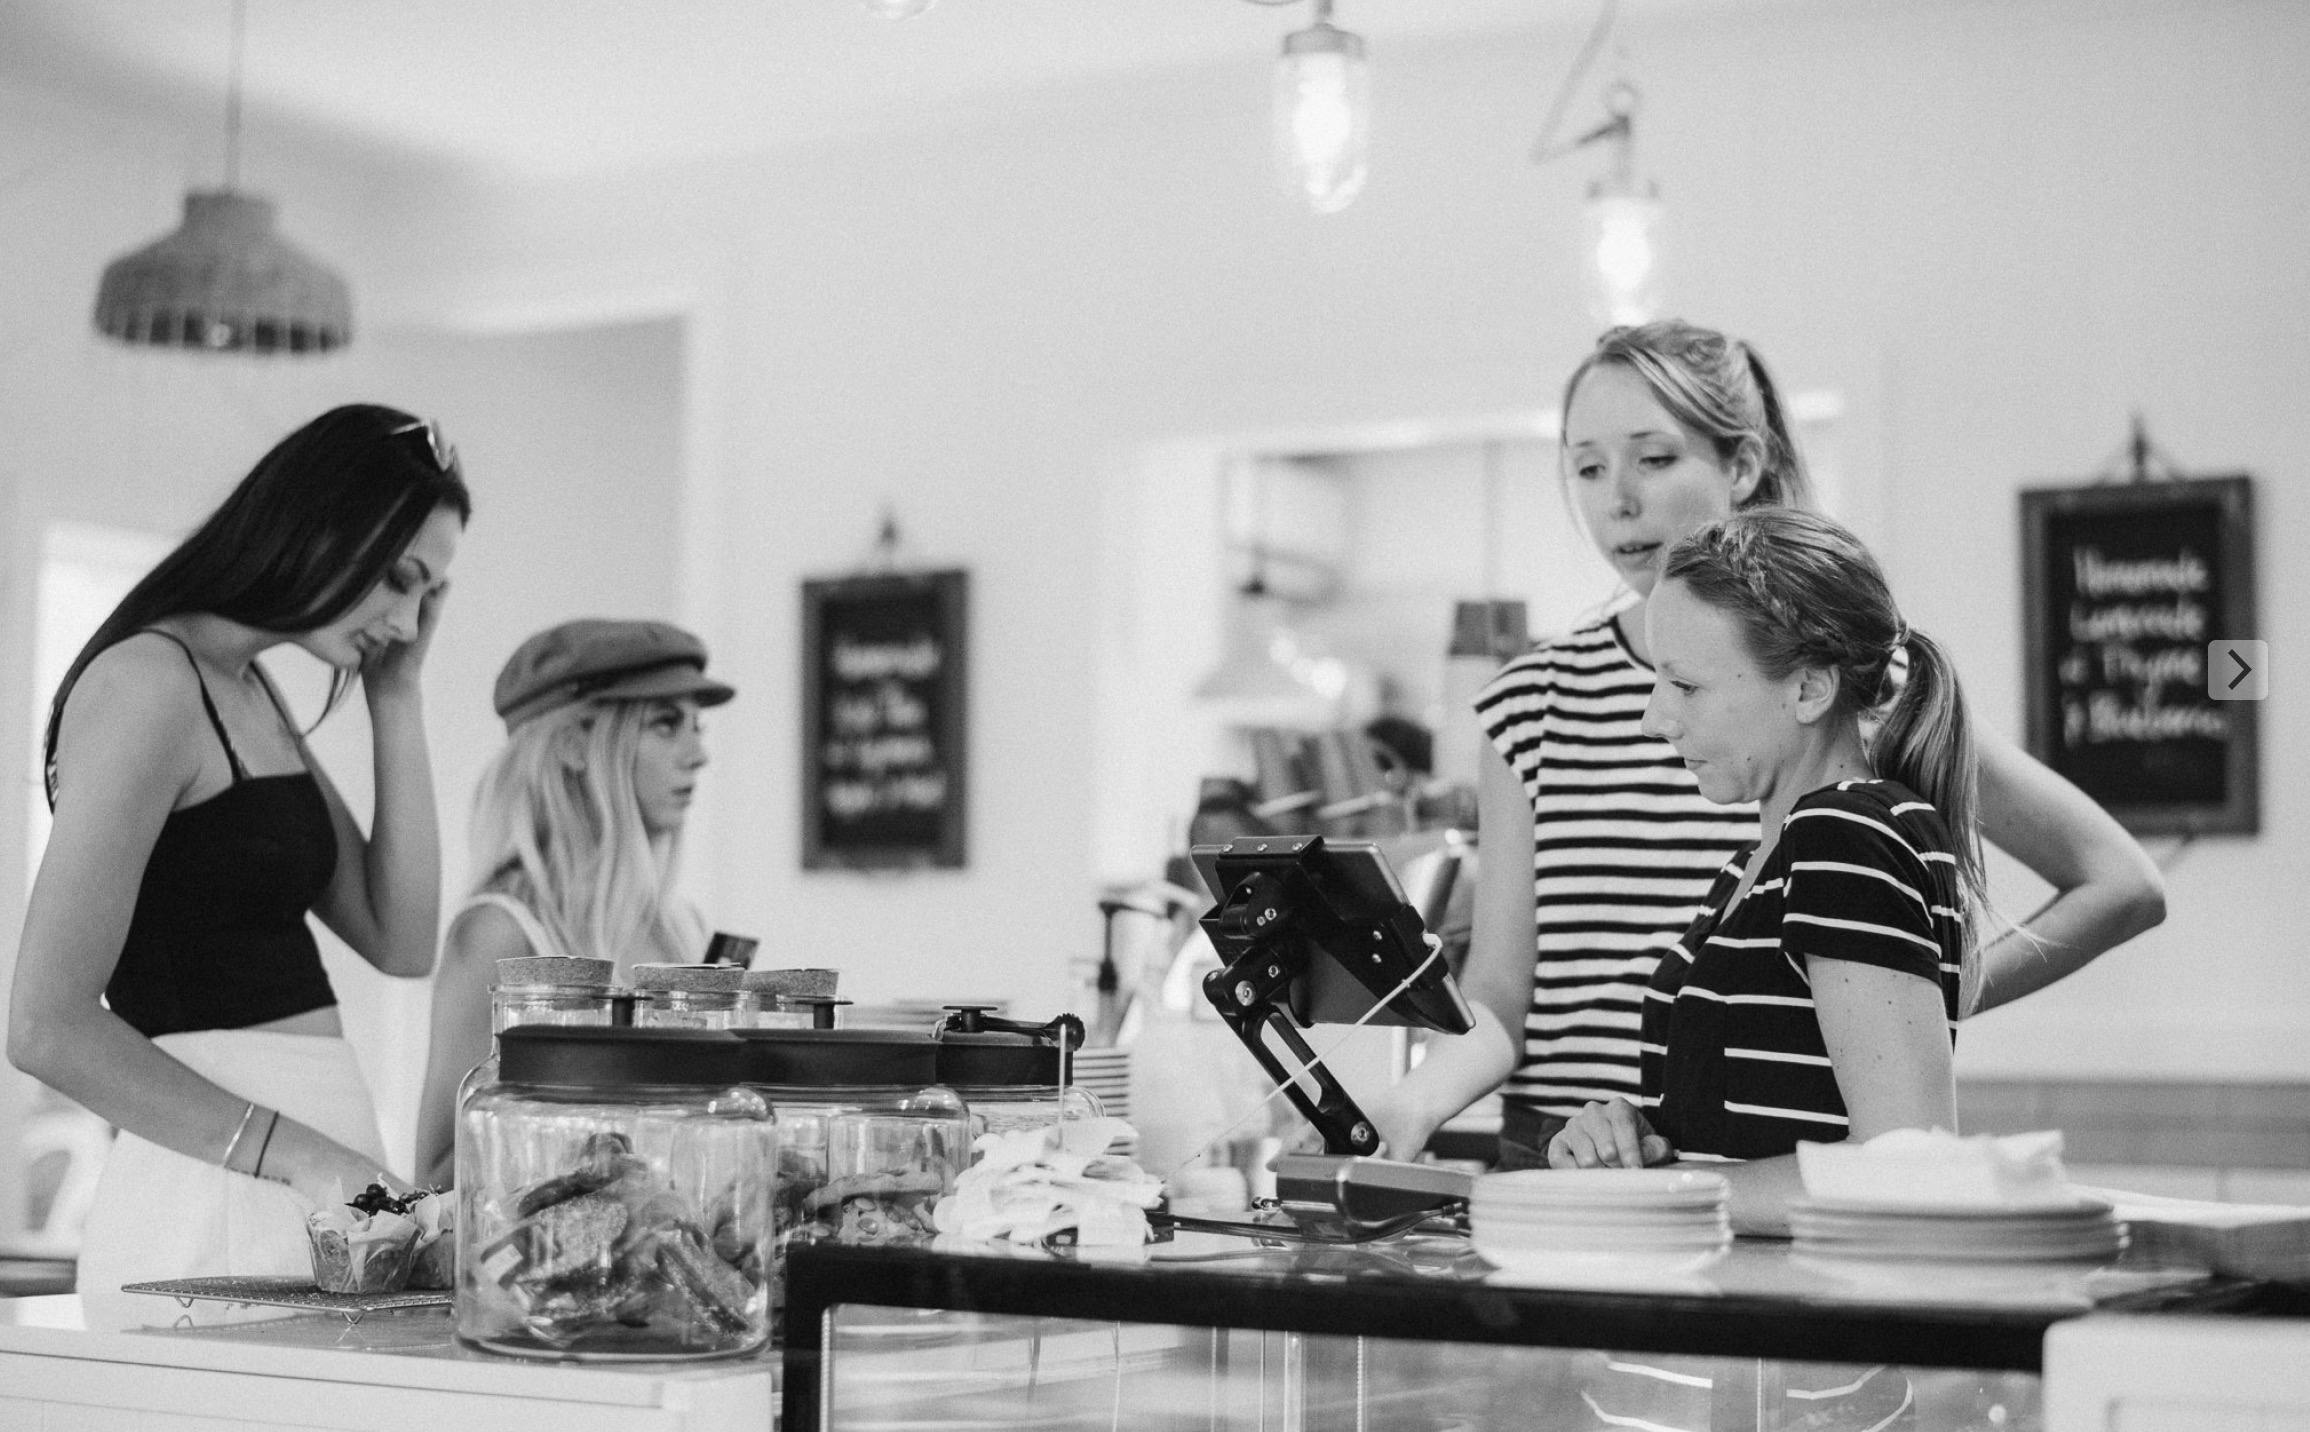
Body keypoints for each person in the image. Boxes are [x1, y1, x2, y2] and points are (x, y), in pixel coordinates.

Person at [1368, 321, 2164, 1169]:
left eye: (1655, 458)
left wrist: (1924, 990)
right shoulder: (1529, 701)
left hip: (1762, 1171)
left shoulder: (1849, 688)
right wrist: (1409, 1104)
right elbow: (1498, 992)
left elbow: (2119, 882)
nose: (1618, 500)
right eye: (1588, 467)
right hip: (1574, 1156)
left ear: (1742, 465)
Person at [8, 405, 470, 1303]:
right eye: (399, 580)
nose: (409, 621)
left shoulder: (246, 687)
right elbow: (44, 1027)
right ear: (325, 523)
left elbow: (402, 938)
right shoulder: (149, 683)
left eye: (428, 597)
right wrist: (303, 1157)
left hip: (304, 1178)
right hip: (219, 1188)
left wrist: (398, 698)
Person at [1552, 508, 1977, 1229]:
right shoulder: (1761, 862)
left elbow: (1906, 1166)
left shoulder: (1844, 836)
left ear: (1810, 689)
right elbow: (1751, 1132)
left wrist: (1651, 1200)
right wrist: (1633, 1146)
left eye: (1685, 686)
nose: (1656, 719)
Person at [412, 618, 734, 1186]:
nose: (699, 753)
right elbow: (437, 1175)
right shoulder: (500, 932)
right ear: (571, 745)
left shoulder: (684, 928)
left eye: (697, 726)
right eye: (665, 724)